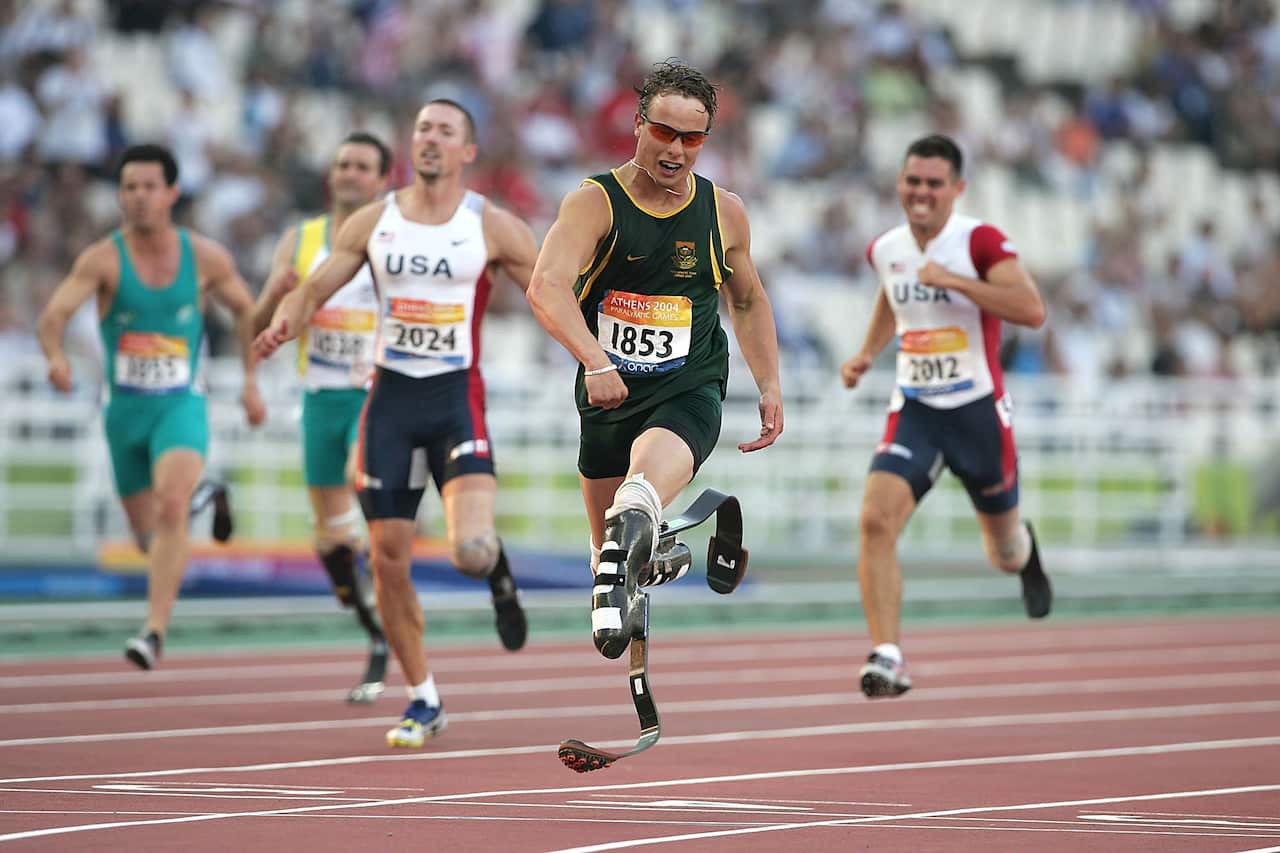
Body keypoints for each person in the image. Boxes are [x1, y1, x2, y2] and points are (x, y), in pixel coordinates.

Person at [254, 100, 537, 748]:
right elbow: (314, 286)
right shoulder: (373, 221)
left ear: (468, 151)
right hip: (389, 403)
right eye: (422, 129)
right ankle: (424, 696)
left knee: (468, 551)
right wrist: (286, 319)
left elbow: (551, 288)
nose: (430, 139)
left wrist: (594, 359)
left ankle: (495, 567)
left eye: (445, 131)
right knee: (386, 559)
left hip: (456, 396)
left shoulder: (490, 225)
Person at [526, 60, 783, 660]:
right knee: (610, 559)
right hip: (608, 394)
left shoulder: (724, 212)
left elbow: (747, 299)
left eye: (692, 139)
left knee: (637, 498)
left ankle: (645, 533)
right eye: (664, 132)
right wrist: (594, 360)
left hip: (687, 387)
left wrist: (769, 384)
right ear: (638, 126)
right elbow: (546, 287)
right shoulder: (595, 203)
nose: (676, 150)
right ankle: (641, 562)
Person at [37, 143, 266, 670]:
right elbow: (54, 316)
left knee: (168, 507)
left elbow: (246, 311)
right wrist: (55, 357)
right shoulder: (102, 258)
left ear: (172, 193)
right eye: (129, 188)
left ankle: (153, 631)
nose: (139, 198)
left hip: (179, 405)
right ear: (120, 196)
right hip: (124, 414)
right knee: (148, 536)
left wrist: (251, 381)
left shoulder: (205, 257)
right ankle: (204, 499)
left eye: (149, 187)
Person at [840, 134, 1051, 699]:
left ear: (957, 188)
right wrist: (867, 352)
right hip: (916, 409)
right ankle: (888, 656)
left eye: (935, 183)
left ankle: (1025, 550)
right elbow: (894, 295)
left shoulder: (978, 241)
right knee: (875, 521)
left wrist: (956, 281)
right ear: (899, 184)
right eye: (913, 181)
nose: (922, 192)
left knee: (1001, 554)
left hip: (978, 413)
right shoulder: (885, 247)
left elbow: (1032, 310)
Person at [250, 132, 393, 703]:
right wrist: (279, 297)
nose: (350, 173)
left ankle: (387, 627)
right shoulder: (300, 238)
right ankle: (373, 626)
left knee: (374, 508)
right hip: (319, 396)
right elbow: (260, 319)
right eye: (342, 164)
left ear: (382, 180)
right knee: (332, 543)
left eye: (362, 166)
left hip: (373, 395)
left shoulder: (392, 239)